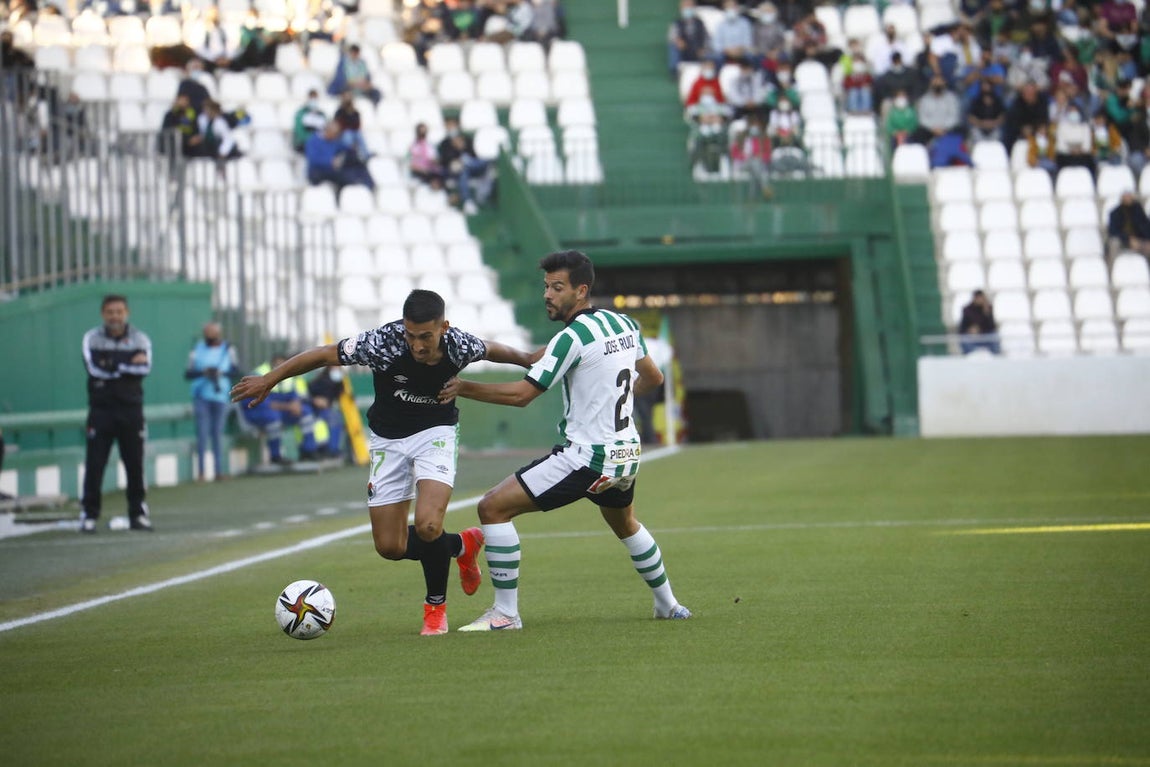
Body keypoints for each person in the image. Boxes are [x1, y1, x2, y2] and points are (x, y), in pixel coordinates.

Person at [231, 289, 539, 636]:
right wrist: (270, 379)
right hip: (388, 440)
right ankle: (461, 545)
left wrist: (527, 358)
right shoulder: (383, 342)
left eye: (425, 336)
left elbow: (491, 348)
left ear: (443, 328)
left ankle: (435, 609)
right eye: (411, 335)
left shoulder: (458, 344)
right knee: (390, 546)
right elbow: (324, 354)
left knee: (428, 525)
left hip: (435, 434)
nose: (417, 345)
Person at [439, 250, 691, 632]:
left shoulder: (570, 338)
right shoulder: (624, 324)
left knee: (492, 508)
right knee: (626, 524)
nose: (548, 295)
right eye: (546, 287)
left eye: (557, 288)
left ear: (581, 291)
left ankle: (505, 614)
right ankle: (669, 604)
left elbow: (522, 396)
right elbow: (653, 378)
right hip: (626, 454)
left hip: (587, 458)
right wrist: (616, 403)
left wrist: (463, 387)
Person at [80, 295, 154, 533]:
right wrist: (126, 364)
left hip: (131, 410)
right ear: (103, 314)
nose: (115, 316)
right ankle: (89, 515)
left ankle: (137, 514)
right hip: (101, 411)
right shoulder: (91, 338)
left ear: (126, 313)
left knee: (135, 464)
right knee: (95, 464)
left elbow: (144, 368)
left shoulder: (140, 338)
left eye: (119, 311)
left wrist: (112, 363)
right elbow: (94, 369)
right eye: (110, 312)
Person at [238, 352, 319, 464]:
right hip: (256, 411)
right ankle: (275, 456)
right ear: (272, 363)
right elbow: (264, 402)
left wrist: (296, 404)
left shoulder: (287, 374)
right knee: (273, 418)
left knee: (305, 411)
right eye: (278, 364)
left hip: (280, 410)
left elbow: (293, 394)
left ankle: (309, 451)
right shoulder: (259, 374)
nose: (280, 367)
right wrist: (289, 406)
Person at [185, 322, 239, 482]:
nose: (210, 335)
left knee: (217, 434)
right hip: (201, 396)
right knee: (202, 434)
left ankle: (218, 471)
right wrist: (204, 372)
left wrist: (220, 373)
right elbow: (188, 373)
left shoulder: (228, 349)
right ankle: (201, 472)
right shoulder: (196, 350)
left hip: (221, 396)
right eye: (207, 332)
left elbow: (236, 370)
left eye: (213, 332)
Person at [306, 120, 376, 194]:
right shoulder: (313, 141)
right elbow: (313, 160)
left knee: (356, 162)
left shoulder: (334, 141)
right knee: (344, 175)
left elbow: (344, 147)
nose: (336, 136)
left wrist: (352, 150)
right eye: (335, 134)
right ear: (328, 131)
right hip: (318, 172)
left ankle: (369, 185)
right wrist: (330, 162)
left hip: (332, 169)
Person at [307, 366, 346, 459]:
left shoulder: (338, 383)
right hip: (315, 410)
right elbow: (308, 395)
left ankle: (333, 450)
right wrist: (315, 400)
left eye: (338, 368)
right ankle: (332, 450)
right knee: (334, 418)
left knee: (336, 417)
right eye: (334, 368)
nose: (337, 370)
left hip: (327, 409)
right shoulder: (320, 381)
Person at [667, 0, 711, 76]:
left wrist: (704, 49)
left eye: (690, 6)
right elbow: (671, 37)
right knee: (673, 47)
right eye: (685, 6)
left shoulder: (700, 22)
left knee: (712, 54)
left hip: (698, 50)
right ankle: (675, 72)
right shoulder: (677, 23)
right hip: (684, 50)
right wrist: (677, 41)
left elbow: (706, 37)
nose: (688, 8)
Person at [1107, 190, 1150, 261]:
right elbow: (1113, 231)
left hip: (1138, 240)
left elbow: (1145, 226)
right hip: (1123, 240)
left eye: (1129, 196)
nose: (1128, 199)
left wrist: (1147, 240)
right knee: (1114, 242)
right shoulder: (1115, 213)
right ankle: (1114, 265)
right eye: (1126, 197)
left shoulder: (1138, 211)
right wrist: (1128, 239)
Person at [958, 290, 1001, 355]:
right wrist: (970, 330)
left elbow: (992, 327)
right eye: (978, 298)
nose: (980, 300)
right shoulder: (967, 309)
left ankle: (996, 355)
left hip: (985, 335)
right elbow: (962, 327)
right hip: (972, 337)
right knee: (965, 339)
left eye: (981, 298)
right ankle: (971, 355)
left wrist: (986, 313)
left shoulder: (988, 308)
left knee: (994, 336)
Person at [292, 89, 327, 154]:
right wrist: (312, 139)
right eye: (312, 98)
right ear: (308, 98)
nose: (313, 100)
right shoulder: (301, 113)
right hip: (303, 143)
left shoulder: (321, 114)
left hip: (318, 143)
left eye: (315, 98)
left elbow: (324, 130)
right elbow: (299, 132)